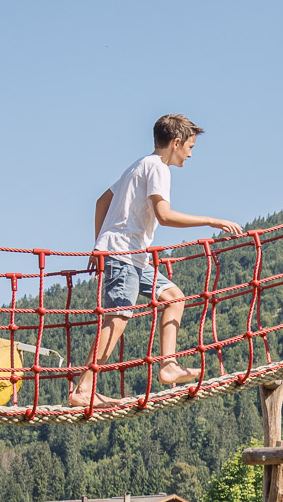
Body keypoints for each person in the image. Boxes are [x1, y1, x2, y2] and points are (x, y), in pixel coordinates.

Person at [70, 114, 243, 408]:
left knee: (174, 297)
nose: (190, 153)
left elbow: (102, 201)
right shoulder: (159, 169)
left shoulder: (138, 165)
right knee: (118, 318)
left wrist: (100, 245)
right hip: (124, 254)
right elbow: (164, 214)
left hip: (129, 255)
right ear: (175, 143)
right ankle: (83, 390)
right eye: (189, 146)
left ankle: (168, 365)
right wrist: (212, 221)